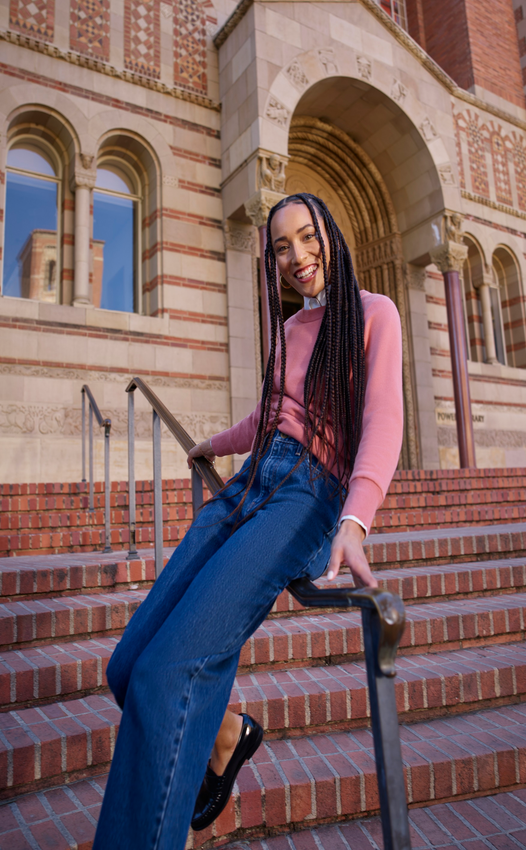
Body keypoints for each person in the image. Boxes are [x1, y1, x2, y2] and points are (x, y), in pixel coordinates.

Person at [92, 193, 404, 850]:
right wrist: (214, 444)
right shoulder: (290, 331)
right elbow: (268, 416)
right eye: (281, 246)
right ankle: (228, 734)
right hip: (248, 484)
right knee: (127, 668)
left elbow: (382, 419)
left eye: (306, 236)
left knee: (168, 673)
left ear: (332, 235)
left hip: (309, 497)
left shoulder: (375, 314)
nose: (296, 256)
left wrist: (357, 520)